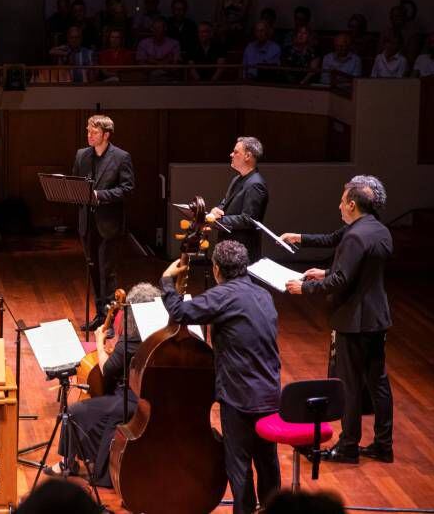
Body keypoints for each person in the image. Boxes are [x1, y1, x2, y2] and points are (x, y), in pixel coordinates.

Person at [161, 240, 281, 514]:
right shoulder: (263, 295)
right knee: (267, 461)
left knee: (238, 465)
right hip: (270, 392)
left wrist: (167, 281)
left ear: (216, 269)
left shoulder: (223, 296)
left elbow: (179, 312)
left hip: (240, 395)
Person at [282, 175, 394, 464]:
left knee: (350, 384)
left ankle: (347, 447)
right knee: (378, 382)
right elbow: (356, 271)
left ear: (353, 204)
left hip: (354, 321)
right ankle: (383, 445)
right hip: (376, 318)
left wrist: (305, 287)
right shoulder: (379, 229)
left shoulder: (356, 235)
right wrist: (326, 271)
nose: (339, 206)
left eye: (343, 201)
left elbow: (342, 279)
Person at [44, 283, 160, 485]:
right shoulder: (159, 336)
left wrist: (99, 341)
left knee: (74, 411)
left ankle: (67, 463)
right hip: (155, 398)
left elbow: (107, 369)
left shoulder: (132, 341)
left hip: (130, 400)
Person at [73, 115, 134, 330]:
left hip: (110, 225)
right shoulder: (82, 155)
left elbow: (127, 189)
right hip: (87, 224)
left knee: (107, 272)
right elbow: (76, 184)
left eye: (94, 132)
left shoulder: (121, 157)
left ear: (106, 135)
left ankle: (109, 321)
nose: (89, 135)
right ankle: (100, 316)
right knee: (93, 270)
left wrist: (101, 196)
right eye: (88, 131)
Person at [210, 137, 268, 262]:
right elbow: (225, 202)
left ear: (247, 156)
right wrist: (216, 211)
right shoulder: (237, 179)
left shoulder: (256, 184)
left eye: (236, 152)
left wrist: (219, 220)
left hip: (241, 252)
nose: (231, 154)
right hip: (229, 248)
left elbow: (248, 220)